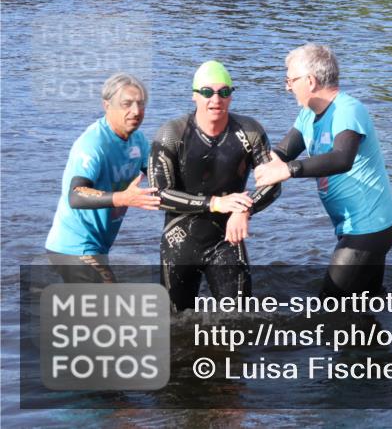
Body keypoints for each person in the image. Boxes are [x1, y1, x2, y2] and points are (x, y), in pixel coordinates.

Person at [254, 44, 392, 298]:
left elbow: (342, 159)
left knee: (330, 304)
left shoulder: (348, 110)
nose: (287, 87)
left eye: (290, 80)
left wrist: (288, 171)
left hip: (369, 227)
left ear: (310, 81)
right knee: (365, 304)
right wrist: (252, 164)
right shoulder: (307, 115)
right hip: (358, 226)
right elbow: (281, 153)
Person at [149, 61, 280, 312]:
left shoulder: (249, 131)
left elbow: (273, 182)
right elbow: (159, 195)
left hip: (227, 240)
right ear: (195, 96)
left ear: (231, 97)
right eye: (207, 92)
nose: (216, 99)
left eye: (224, 92)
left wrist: (245, 210)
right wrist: (215, 203)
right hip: (180, 240)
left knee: (239, 322)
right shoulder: (172, 134)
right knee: (174, 327)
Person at [45, 73, 159, 283]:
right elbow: (76, 195)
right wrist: (124, 198)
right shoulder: (93, 144)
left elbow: (162, 178)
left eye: (140, 104)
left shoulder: (138, 140)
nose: (136, 111)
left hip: (98, 245)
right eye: (127, 104)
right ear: (107, 106)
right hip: (73, 246)